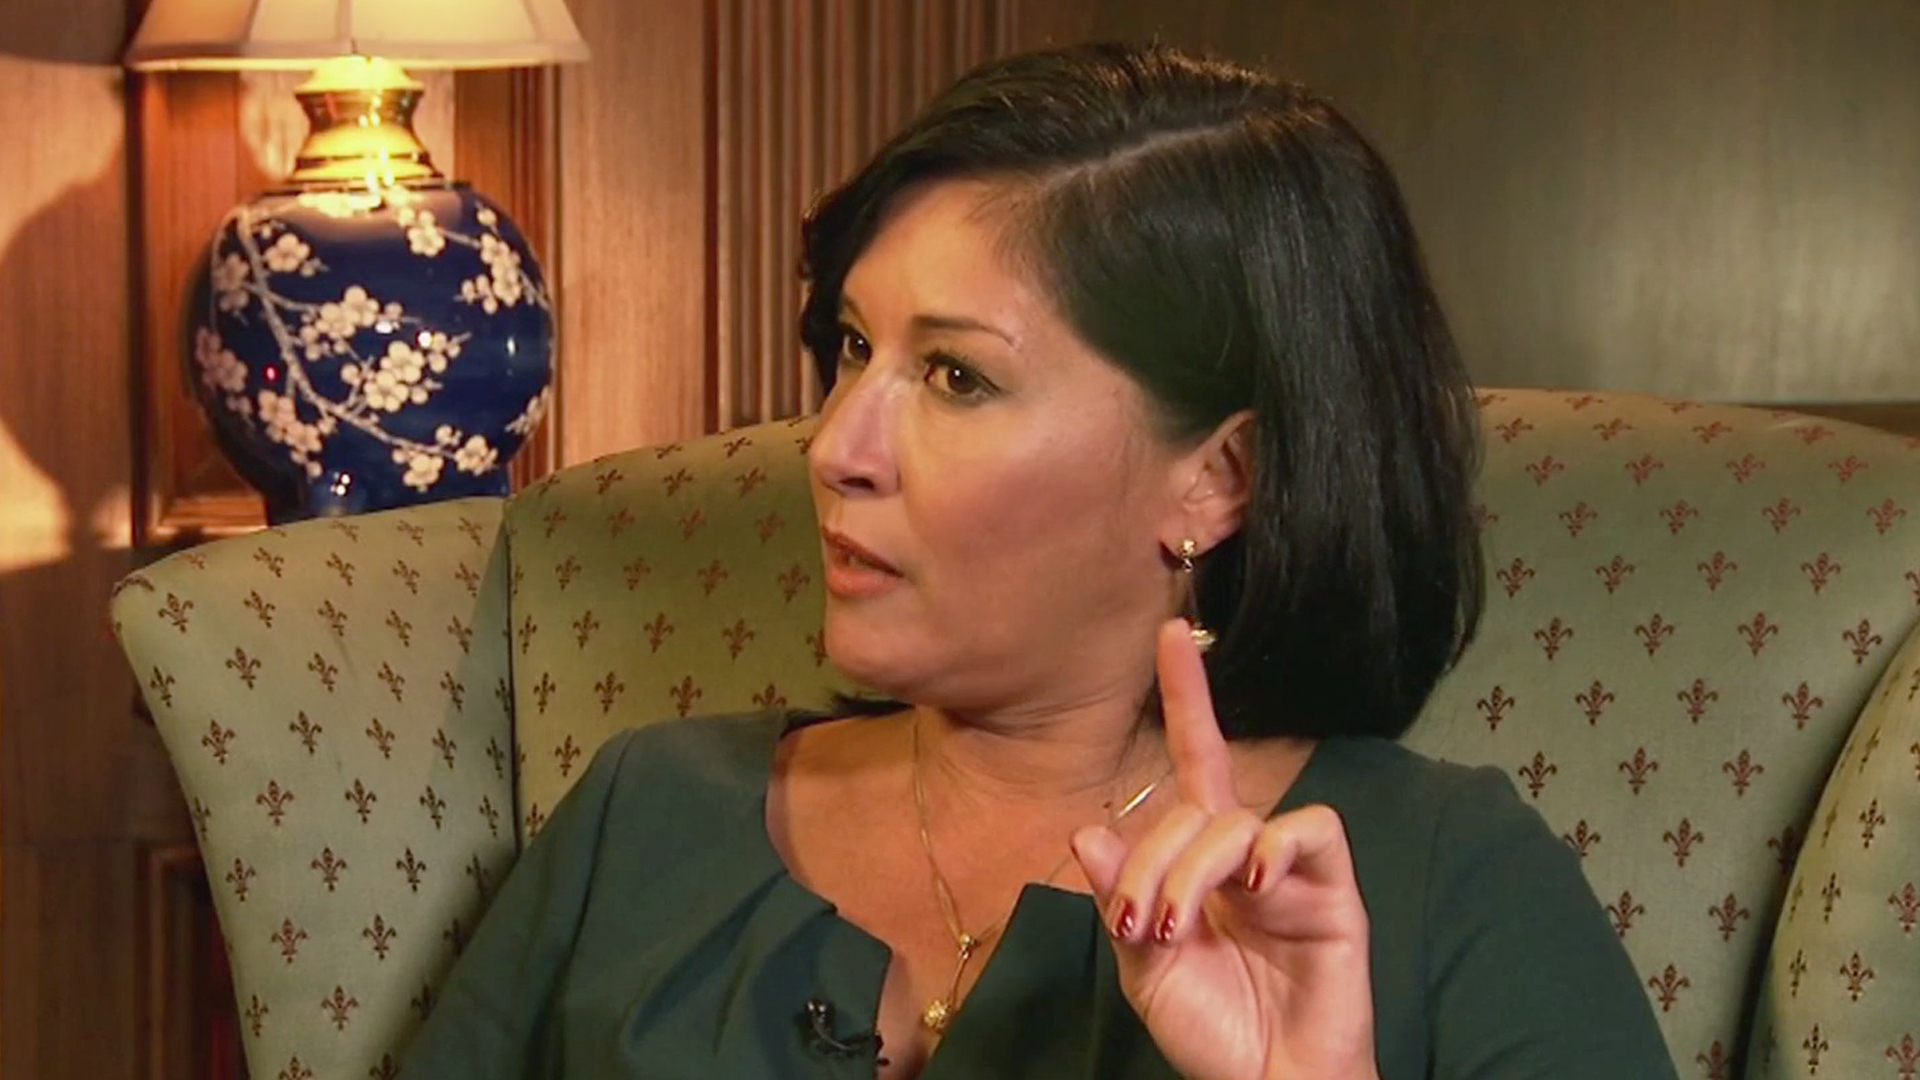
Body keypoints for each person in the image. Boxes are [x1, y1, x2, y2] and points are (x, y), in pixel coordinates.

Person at [398, 41, 1679, 1080]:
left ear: (1218, 477)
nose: (836, 447)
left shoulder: (1454, 884)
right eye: (854, 348)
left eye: (957, 377)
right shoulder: (646, 812)